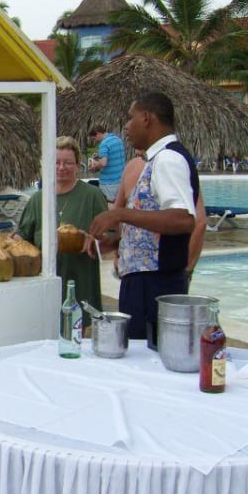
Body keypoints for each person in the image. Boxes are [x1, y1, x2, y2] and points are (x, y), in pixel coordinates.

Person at [89, 92, 199, 343]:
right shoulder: (158, 159)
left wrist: (119, 214)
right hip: (143, 282)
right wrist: (118, 242)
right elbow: (157, 222)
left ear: (147, 118)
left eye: (131, 118)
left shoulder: (168, 159)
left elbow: (183, 220)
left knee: (144, 359)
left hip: (154, 285)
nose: (127, 126)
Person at [15, 136, 108, 312]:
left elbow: (110, 238)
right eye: (56, 162)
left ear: (78, 164)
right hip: (45, 290)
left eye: (68, 163)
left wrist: (94, 241)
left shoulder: (92, 196)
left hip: (82, 286)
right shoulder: (38, 199)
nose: (61, 167)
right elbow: (23, 237)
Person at [114, 148, 207, 290]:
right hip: (135, 273)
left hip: (158, 273)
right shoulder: (134, 167)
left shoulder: (170, 164)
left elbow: (197, 222)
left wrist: (186, 270)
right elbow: (118, 216)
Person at [87, 124, 126, 204]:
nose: (96, 140)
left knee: (108, 205)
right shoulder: (117, 139)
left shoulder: (104, 144)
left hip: (109, 183)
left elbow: (103, 163)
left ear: (98, 133)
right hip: (121, 180)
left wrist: (94, 167)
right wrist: (99, 155)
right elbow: (113, 154)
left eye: (94, 138)